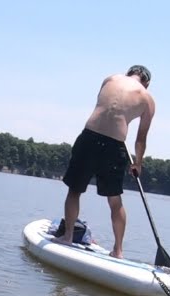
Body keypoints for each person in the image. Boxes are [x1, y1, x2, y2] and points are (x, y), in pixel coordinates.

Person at [53, 65, 155, 259]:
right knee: (115, 200)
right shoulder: (148, 99)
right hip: (114, 145)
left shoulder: (110, 79)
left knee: (75, 190)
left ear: (128, 74)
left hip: (89, 137)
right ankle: (118, 250)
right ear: (147, 84)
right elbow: (141, 139)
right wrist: (138, 164)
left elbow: (104, 107)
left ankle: (67, 236)